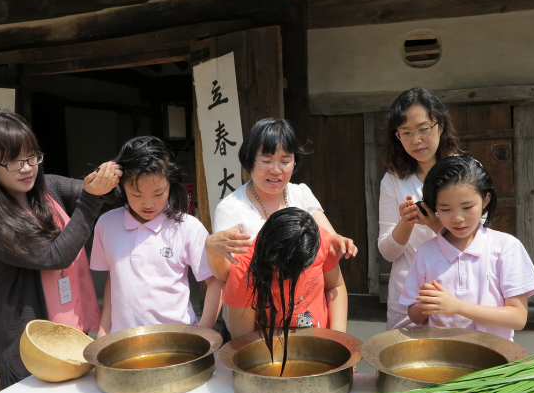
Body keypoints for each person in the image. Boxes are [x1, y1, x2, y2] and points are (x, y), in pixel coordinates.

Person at [0, 111, 122, 390]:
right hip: (28, 349)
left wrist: (108, 178)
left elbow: (108, 198)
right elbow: (54, 256)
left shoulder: (49, 187)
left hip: (72, 333)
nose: (26, 168)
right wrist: (90, 200)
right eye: (13, 161)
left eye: (32, 157)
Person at [205, 118, 355, 339]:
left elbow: (327, 240)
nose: (276, 170)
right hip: (250, 323)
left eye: (285, 161)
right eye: (266, 161)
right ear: (249, 160)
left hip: (305, 316)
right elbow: (227, 274)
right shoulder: (231, 209)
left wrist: (339, 241)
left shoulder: (301, 193)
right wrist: (212, 249)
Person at [400, 155, 534, 340]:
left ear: (486, 199)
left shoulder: (506, 247)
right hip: (441, 354)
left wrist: (457, 306)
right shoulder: (426, 252)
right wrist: (427, 302)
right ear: (434, 207)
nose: (458, 218)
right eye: (445, 209)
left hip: (494, 355)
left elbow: (518, 318)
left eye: (467, 207)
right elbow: (415, 317)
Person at [91, 136, 222, 337]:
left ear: (170, 184)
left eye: (158, 193)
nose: (148, 204)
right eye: (137, 194)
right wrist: (104, 330)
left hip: (178, 341)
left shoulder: (187, 227)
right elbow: (113, 278)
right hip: (124, 341)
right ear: (122, 185)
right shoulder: (106, 224)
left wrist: (203, 333)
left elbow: (214, 281)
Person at [208, 208, 347, 369]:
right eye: (283, 271)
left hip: (321, 345)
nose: (292, 276)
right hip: (268, 356)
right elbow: (244, 341)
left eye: (301, 269)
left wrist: (338, 340)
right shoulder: (244, 271)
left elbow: (335, 286)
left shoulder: (317, 241)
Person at [378, 87, 464, 331]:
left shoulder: (465, 172)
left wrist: (435, 223)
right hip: (408, 295)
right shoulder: (393, 180)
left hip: (457, 292)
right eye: (406, 132)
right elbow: (388, 253)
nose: (416, 139)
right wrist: (406, 222)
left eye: (423, 129)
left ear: (441, 125)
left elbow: (476, 241)